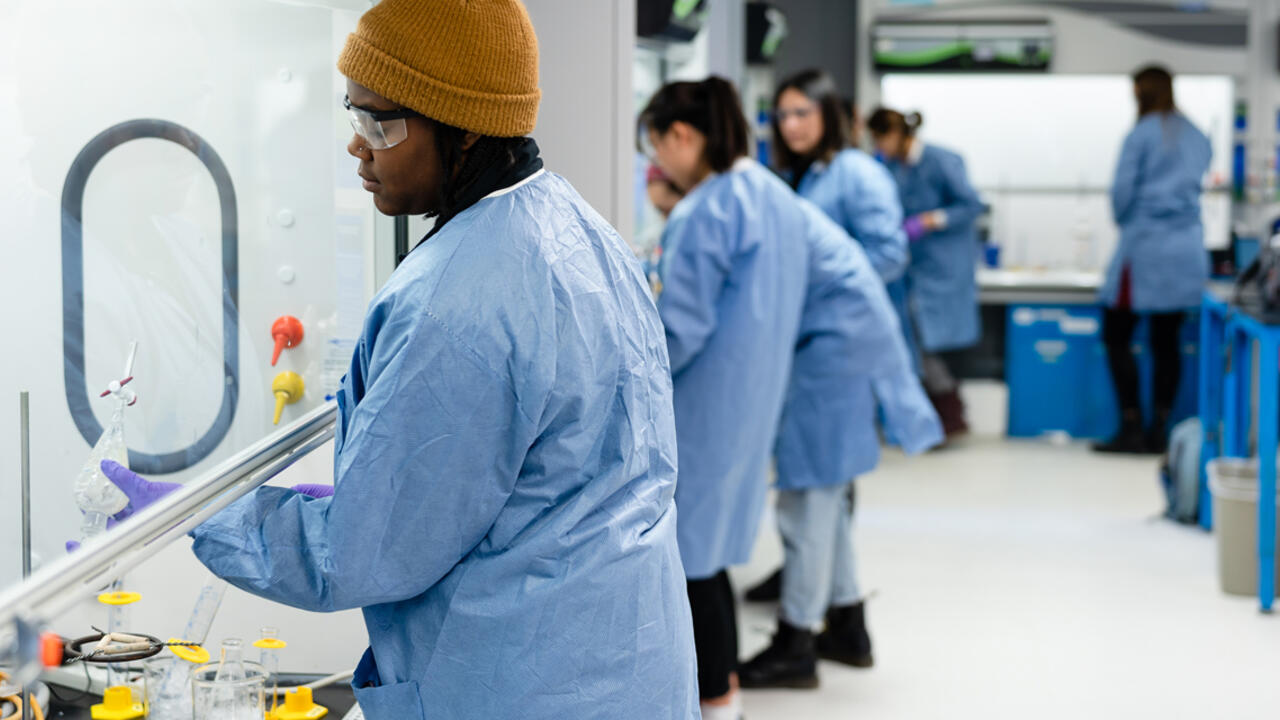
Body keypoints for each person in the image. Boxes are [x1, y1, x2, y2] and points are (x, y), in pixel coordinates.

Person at [89, 1, 700, 717]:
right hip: (626, 660)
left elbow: (355, 557)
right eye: (355, 116)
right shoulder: (583, 232)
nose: (360, 146)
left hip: (522, 683)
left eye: (381, 122)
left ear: (466, 127)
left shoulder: (453, 301)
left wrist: (199, 515)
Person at [738, 70, 943, 682]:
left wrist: (823, 278)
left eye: (803, 112)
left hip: (838, 343)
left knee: (809, 494)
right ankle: (848, 624)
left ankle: (797, 638)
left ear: (830, 114)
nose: (791, 124)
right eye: (782, 114)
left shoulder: (857, 173)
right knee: (823, 487)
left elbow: (886, 254)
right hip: (809, 344)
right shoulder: (794, 175)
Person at [640, 76, 833, 719]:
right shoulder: (773, 194)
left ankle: (717, 698)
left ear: (683, 135)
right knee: (711, 552)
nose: (657, 165)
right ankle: (722, 694)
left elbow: (681, 330)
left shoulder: (705, 208)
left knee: (692, 560)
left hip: (703, 405)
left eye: (657, 148)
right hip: (750, 400)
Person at [1094, 65, 1211, 454]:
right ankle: (1161, 427)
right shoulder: (1196, 134)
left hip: (1144, 248)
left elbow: (1121, 195)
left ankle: (1130, 425)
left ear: (1140, 93)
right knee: (1166, 341)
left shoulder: (1140, 134)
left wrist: (1134, 221)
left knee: (1116, 335)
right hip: (1185, 251)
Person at [868, 107, 985, 437]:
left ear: (898, 135)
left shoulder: (942, 160)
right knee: (914, 341)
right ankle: (937, 417)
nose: (879, 147)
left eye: (881, 139)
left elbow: (971, 205)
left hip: (944, 266)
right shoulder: (892, 169)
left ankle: (949, 416)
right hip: (914, 268)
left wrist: (932, 220)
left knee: (927, 341)